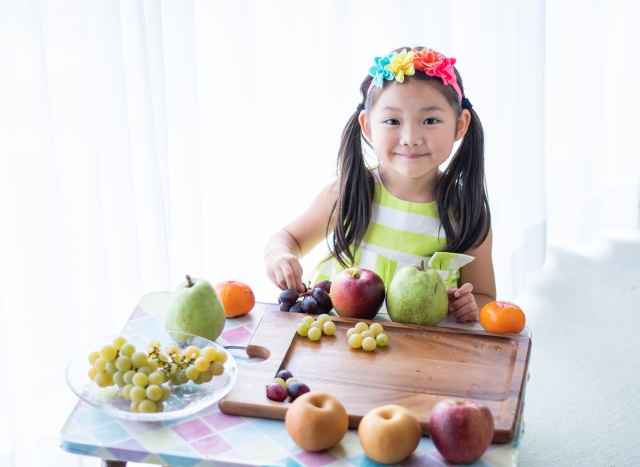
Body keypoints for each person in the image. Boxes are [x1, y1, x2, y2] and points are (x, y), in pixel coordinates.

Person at [263, 47, 495, 322]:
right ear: (368, 126)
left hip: (420, 351)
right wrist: (279, 257)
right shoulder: (350, 191)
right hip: (337, 334)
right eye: (393, 121)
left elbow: (484, 296)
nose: (410, 137)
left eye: (430, 120)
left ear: (460, 125)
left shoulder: (466, 211)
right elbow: (286, 239)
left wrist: (469, 306)